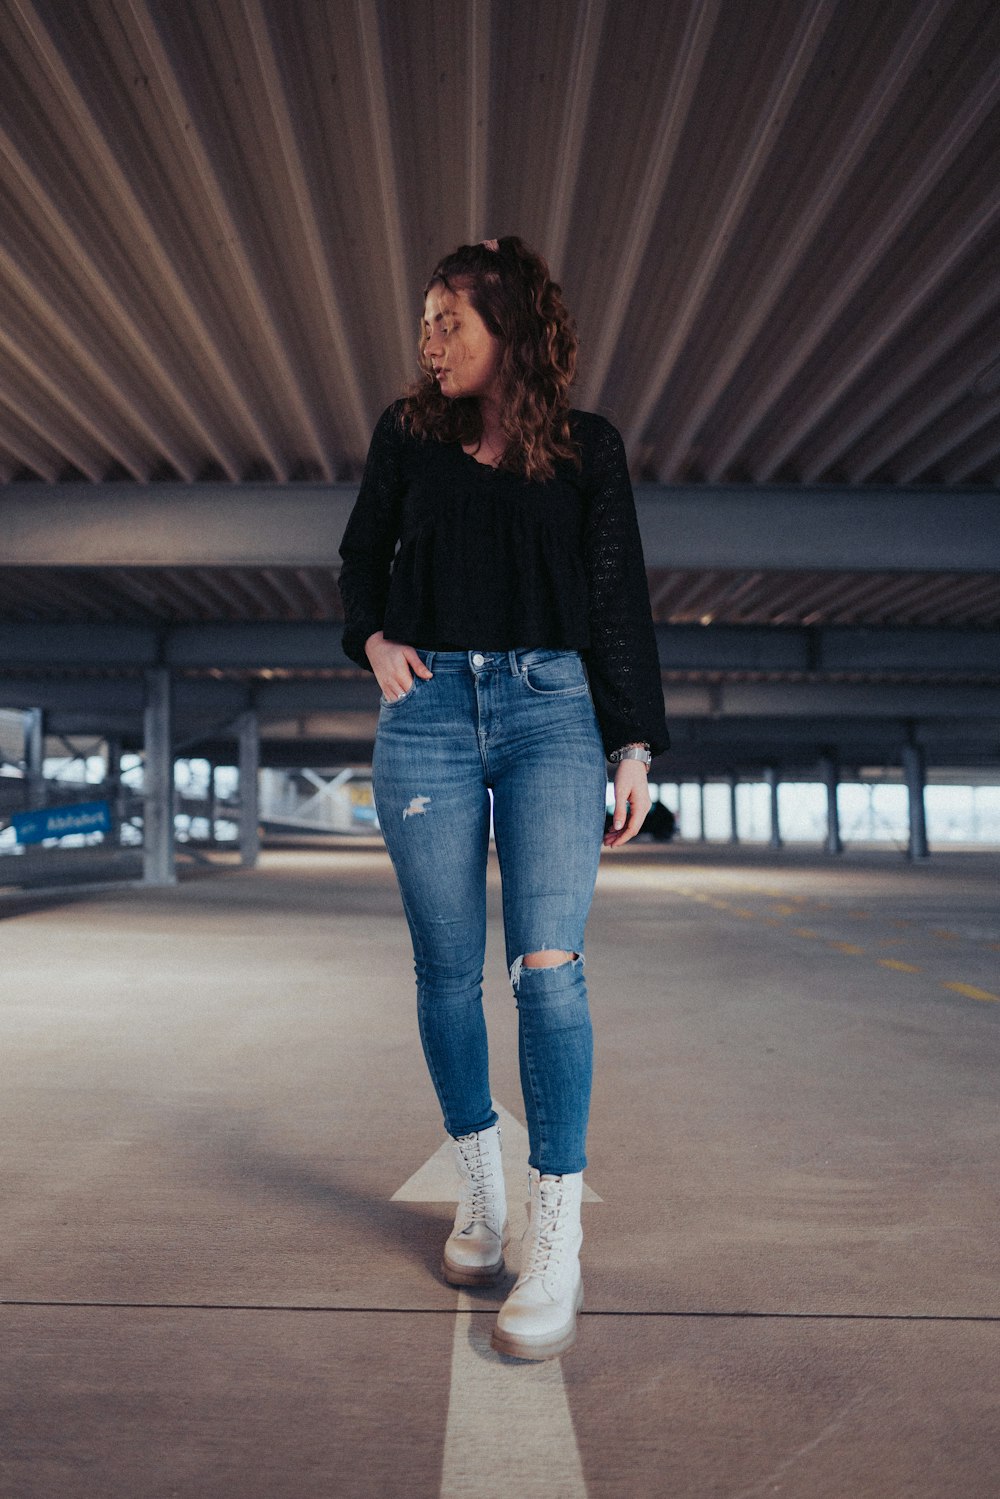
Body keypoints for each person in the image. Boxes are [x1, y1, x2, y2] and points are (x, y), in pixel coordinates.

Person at [338, 235, 669, 1360]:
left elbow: (616, 596)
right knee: (442, 970)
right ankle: (480, 1195)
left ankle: (554, 1233)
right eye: (426, 319)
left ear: (512, 334)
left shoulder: (585, 448)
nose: (430, 341)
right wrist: (373, 639)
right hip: (425, 715)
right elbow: (358, 557)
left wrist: (632, 742)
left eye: (452, 322)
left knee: (548, 968)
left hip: (549, 712)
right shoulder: (406, 436)